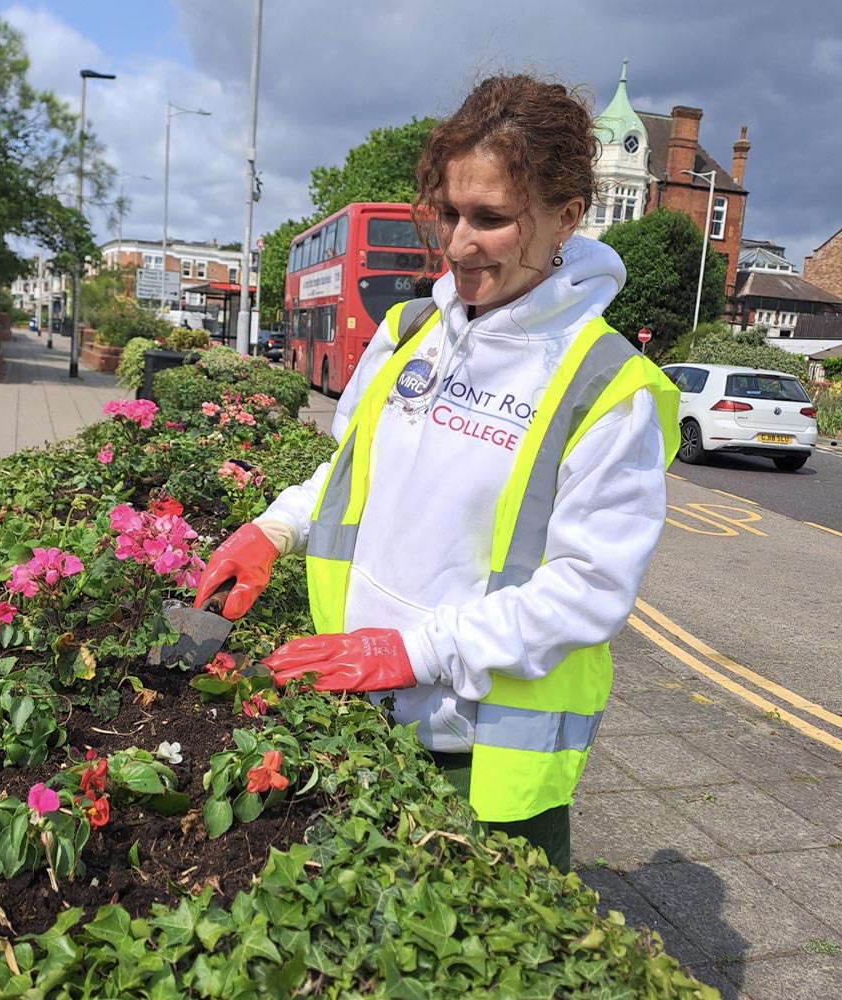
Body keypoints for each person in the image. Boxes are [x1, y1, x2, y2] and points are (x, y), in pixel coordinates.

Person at [193, 73, 680, 872]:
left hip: (481, 768)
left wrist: (415, 653)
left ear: (564, 219)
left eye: (490, 219)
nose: (456, 245)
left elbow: (587, 592)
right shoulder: (408, 331)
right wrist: (276, 525)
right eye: (449, 212)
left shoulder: (608, 386)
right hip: (358, 712)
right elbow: (351, 473)